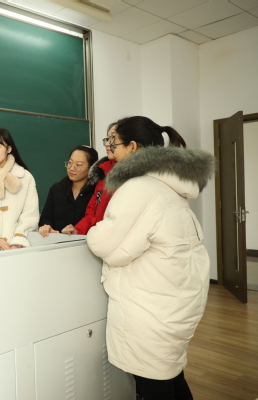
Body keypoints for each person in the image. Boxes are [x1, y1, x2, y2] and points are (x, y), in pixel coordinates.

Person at [86, 116, 214, 400]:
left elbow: (107, 243)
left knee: (154, 386)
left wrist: (93, 231)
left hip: (150, 308)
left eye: (113, 142)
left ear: (132, 146)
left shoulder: (139, 188)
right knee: (170, 375)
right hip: (175, 301)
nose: (109, 148)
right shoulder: (171, 186)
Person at [63, 121, 118, 235]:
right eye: (107, 138)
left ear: (131, 145)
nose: (107, 144)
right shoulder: (103, 173)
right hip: (99, 239)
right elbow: (92, 214)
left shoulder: (135, 178)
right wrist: (77, 230)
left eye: (113, 138)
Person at [38, 145, 99, 237]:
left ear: (91, 168)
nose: (72, 168)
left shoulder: (97, 192)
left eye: (78, 165)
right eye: (70, 163)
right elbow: (46, 218)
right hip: (56, 241)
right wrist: (47, 227)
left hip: (85, 242)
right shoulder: (57, 189)